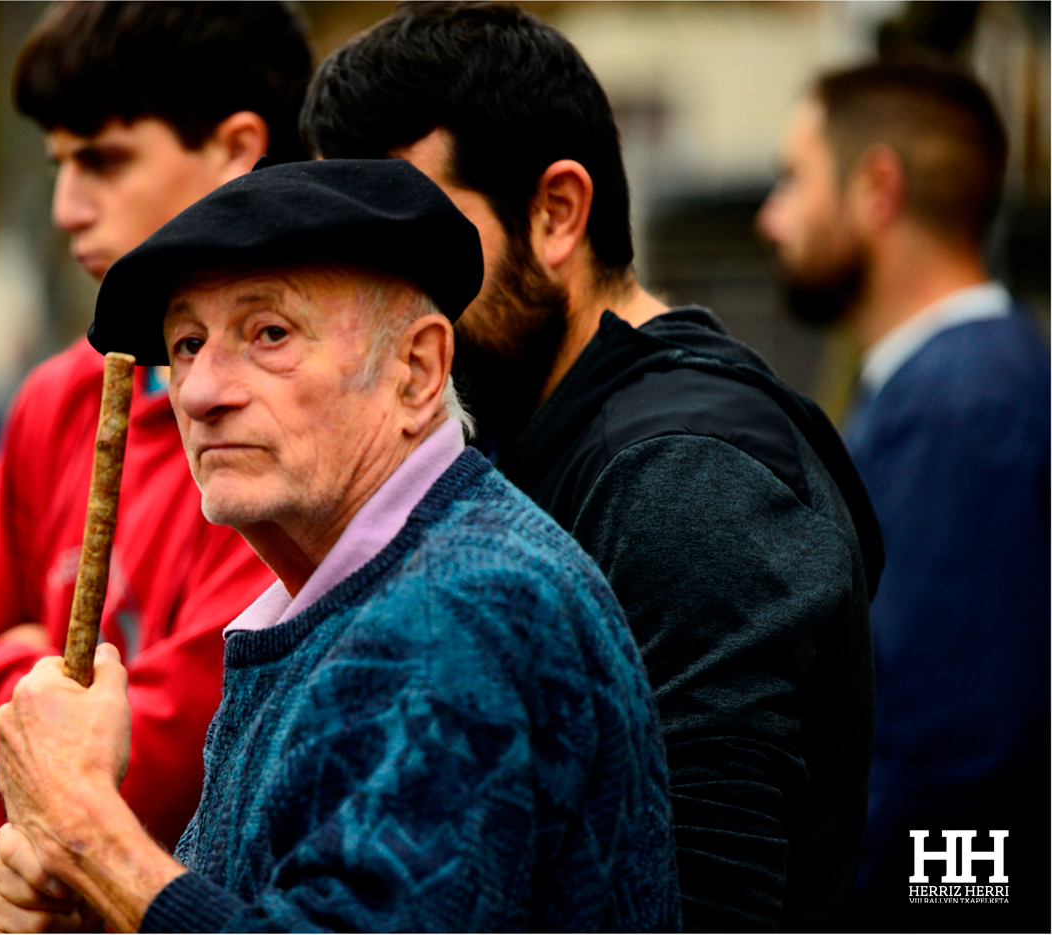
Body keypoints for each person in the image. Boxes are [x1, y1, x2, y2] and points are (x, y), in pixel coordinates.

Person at [0, 158, 680, 934]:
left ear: (417, 371)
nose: (203, 392)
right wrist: (94, 915)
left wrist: (85, 829)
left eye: (269, 333)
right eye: (186, 344)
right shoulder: (363, 597)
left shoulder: (462, 609)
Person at [300, 5, 885, 930]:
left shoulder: (690, 477)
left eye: (414, 241)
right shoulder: (527, 434)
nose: (379, 297)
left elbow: (697, 903)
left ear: (556, 212)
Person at [0, 1, 311, 851]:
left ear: (237, 151)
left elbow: (163, 771)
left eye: (103, 161)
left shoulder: (294, 418)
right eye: (56, 164)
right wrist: (58, 689)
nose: (66, 207)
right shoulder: (60, 400)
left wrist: (9, 662)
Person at [757, 61, 1049, 931]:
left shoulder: (963, 407)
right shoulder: (952, 385)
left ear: (877, 185)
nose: (771, 217)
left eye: (795, 177)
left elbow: (953, 744)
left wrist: (890, 909)